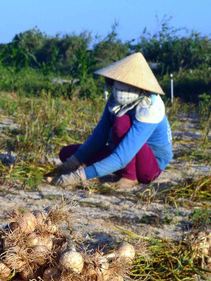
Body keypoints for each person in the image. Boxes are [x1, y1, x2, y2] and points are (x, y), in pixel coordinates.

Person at [52, 52, 173, 190]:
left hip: (148, 167)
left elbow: (123, 156)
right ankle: (111, 169)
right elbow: (100, 136)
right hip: (120, 152)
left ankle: (130, 177)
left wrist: (79, 176)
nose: (120, 89)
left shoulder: (150, 107)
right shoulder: (115, 102)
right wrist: (74, 162)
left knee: (122, 123)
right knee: (67, 153)